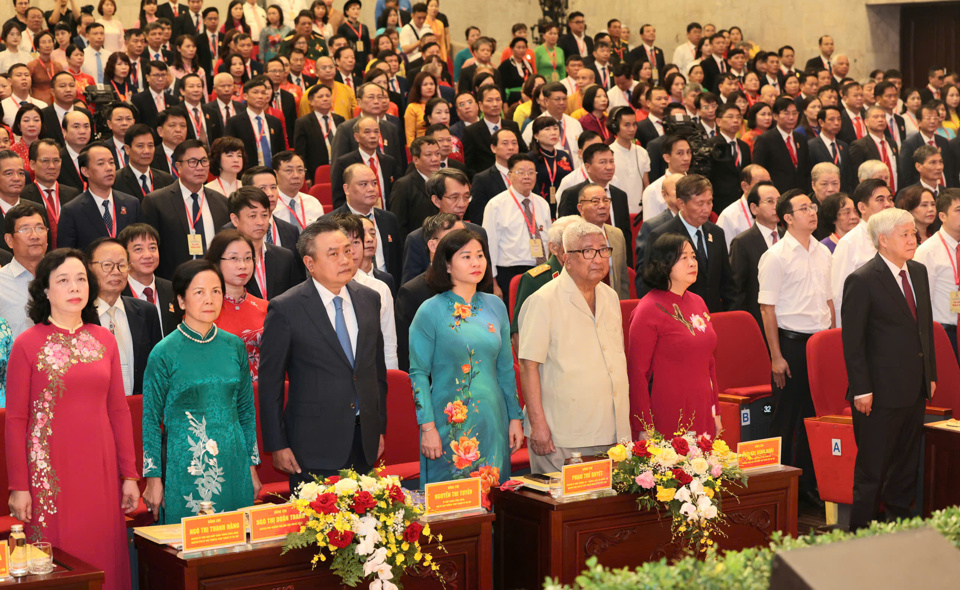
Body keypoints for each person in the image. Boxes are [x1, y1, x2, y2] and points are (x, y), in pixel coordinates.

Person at [6, 248, 139, 589]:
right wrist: (19, 486)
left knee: (104, 552)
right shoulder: (26, 344)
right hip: (49, 471)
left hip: (101, 468)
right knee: (59, 560)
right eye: (63, 280)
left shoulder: (104, 340)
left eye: (81, 278)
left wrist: (129, 475)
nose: (74, 286)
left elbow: (119, 412)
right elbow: (16, 420)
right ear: (46, 290)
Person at [260, 218, 387, 487]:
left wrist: (379, 428)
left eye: (347, 250)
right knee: (316, 528)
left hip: (363, 439)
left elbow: (376, 372)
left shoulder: (369, 299)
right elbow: (270, 385)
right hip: (312, 444)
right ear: (310, 263)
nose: (345, 259)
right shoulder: (285, 308)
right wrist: (277, 444)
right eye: (333, 254)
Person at [142, 259, 260, 522]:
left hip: (233, 460)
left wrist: (251, 466)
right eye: (199, 292)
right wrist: (153, 479)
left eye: (216, 291)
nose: (209, 299)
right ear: (181, 301)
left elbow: (246, 411)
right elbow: (150, 420)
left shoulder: (233, 346)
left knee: (237, 545)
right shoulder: (164, 352)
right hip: (187, 464)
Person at [842, 208, 936, 531]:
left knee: (905, 468)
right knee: (872, 471)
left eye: (914, 234)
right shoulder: (862, 279)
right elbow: (853, 342)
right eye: (905, 235)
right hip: (878, 395)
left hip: (914, 388)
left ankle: (898, 530)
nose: (914, 240)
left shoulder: (919, 272)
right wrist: (861, 388)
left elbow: (924, 328)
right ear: (883, 240)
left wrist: (931, 374)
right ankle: (859, 536)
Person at [408, 227, 521, 484]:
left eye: (480, 255)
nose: (476, 263)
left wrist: (515, 417)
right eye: (466, 256)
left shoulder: (495, 305)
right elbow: (418, 374)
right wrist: (427, 428)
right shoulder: (430, 311)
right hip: (450, 423)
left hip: (494, 420)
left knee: (493, 498)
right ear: (447, 265)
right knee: (453, 506)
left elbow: (505, 368)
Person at [518, 217, 629, 471]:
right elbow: (528, 366)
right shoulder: (543, 301)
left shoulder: (610, 296)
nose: (599, 259)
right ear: (566, 259)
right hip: (563, 435)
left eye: (603, 250)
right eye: (588, 252)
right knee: (568, 510)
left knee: (608, 509)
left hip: (613, 429)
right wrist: (538, 425)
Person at [758, 189, 834, 506]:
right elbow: (767, 309)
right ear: (787, 218)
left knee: (814, 417)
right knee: (785, 418)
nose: (812, 212)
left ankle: (807, 488)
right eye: (804, 208)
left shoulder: (823, 251)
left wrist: (834, 337)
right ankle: (776, 489)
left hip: (820, 344)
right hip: (791, 345)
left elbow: (830, 300)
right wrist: (776, 357)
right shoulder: (775, 256)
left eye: (812, 206)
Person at [629, 231, 720, 437]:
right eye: (683, 258)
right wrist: (643, 425)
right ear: (664, 263)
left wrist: (716, 410)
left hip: (703, 405)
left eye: (694, 257)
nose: (692, 263)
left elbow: (710, 362)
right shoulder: (648, 309)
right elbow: (637, 374)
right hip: (668, 409)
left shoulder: (698, 301)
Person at [642, 174, 735, 313]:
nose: (706, 209)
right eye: (699, 203)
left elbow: (727, 283)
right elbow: (650, 284)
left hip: (713, 316)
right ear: (681, 204)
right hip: (678, 316)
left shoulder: (716, 233)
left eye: (709, 202)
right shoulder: (662, 235)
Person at [142, 140, 231, 278]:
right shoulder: (156, 201)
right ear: (178, 166)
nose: (200, 167)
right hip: (173, 281)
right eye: (193, 162)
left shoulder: (222, 202)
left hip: (215, 279)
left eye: (204, 161)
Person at [87, 236, 162, 396]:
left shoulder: (147, 312)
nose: (116, 272)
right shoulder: (80, 317)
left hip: (138, 409)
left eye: (122, 265)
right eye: (107, 265)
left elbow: (156, 369)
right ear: (89, 268)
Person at [395, 212, 460, 370]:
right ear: (433, 245)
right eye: (455, 239)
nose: (465, 245)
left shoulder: (477, 286)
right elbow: (409, 355)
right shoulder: (412, 293)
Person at [483, 153, 552, 296]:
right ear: (509, 176)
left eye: (531, 172)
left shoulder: (542, 204)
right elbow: (489, 245)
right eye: (521, 172)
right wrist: (493, 283)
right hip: (510, 273)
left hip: (541, 270)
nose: (527, 176)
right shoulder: (496, 205)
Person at [205, 229, 268, 381]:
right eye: (234, 258)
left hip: (263, 393)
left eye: (248, 258)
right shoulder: (203, 310)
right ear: (216, 262)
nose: (243, 265)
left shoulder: (265, 307)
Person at [557, 143, 633, 267]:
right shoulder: (572, 194)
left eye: (611, 161)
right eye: (602, 162)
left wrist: (627, 266)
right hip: (584, 264)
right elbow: (564, 235)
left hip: (614, 265)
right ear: (588, 167)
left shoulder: (619, 195)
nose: (609, 167)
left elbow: (626, 236)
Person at [832, 178, 896, 325]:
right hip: (864, 321)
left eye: (890, 199)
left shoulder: (896, 237)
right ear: (862, 207)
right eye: (880, 200)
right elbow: (839, 295)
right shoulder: (849, 243)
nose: (888, 204)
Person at [57, 143, 142, 251]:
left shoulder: (131, 204)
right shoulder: (72, 210)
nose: (109, 168)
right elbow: (67, 254)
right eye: (101, 163)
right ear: (85, 171)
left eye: (111, 162)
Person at [228, 186, 300, 300]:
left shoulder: (285, 257)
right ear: (235, 219)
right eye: (253, 216)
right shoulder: (225, 260)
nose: (260, 222)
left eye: (264, 215)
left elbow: (296, 298)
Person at [730, 181, 784, 329]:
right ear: (754, 208)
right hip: (758, 321)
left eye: (779, 201)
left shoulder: (788, 236)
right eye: (770, 201)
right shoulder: (742, 242)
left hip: (788, 320)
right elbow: (737, 290)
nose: (776, 206)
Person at [915, 188, 960, 354]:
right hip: (944, 333)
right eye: (958, 210)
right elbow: (921, 302)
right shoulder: (927, 251)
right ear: (942, 216)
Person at [118, 222, 179, 335]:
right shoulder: (118, 293)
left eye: (152, 248)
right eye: (138, 249)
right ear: (124, 255)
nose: (148, 255)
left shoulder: (172, 289)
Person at [21, 139, 80, 249]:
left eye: (56, 161)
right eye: (45, 161)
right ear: (32, 164)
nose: (52, 166)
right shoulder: (23, 196)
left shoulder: (73, 194)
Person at [0, 204, 47, 338]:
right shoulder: (1, 283)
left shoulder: (63, 277)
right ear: (9, 240)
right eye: (25, 229)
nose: (35, 236)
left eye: (40, 228)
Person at [576, 183, 630, 299]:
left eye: (606, 200)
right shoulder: (573, 236)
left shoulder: (617, 234)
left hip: (611, 302)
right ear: (581, 208)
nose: (602, 205)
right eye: (595, 201)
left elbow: (623, 279)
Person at [752, 96, 811, 193]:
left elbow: (806, 171)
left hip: (800, 194)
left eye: (794, 113)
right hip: (776, 195)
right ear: (775, 116)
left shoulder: (801, 139)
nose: (791, 117)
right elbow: (758, 172)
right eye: (786, 113)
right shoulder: (764, 140)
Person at [463, 85, 525, 177]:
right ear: (480, 105)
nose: (495, 104)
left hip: (513, 178)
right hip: (486, 182)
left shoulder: (512, 126)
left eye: (498, 99)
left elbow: (523, 153)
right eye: (489, 100)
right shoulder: (471, 131)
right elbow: (469, 165)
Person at [225, 76, 286, 168]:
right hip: (247, 173)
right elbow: (230, 151)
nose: (260, 96)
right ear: (245, 96)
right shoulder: (234, 122)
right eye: (255, 92)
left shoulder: (274, 122)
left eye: (263, 93)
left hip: (272, 173)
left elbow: (281, 151)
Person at [389, 135, 442, 237]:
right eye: (428, 155)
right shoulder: (403, 185)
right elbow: (398, 225)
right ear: (416, 159)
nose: (435, 159)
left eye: (437, 154)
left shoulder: (444, 181)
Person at [849, 106, 900, 196]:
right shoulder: (859, 145)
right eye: (876, 117)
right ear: (866, 122)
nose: (880, 120)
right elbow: (855, 176)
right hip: (872, 195)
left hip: (894, 193)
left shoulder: (892, 143)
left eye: (883, 117)